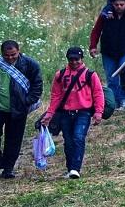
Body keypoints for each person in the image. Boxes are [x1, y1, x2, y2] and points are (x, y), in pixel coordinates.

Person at [0, 40, 43, 178]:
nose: (10, 58)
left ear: (19, 51)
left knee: (14, 140)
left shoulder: (30, 65)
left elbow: (37, 86)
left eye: (13, 55)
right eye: (7, 55)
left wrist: (27, 101)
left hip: (18, 109)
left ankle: (8, 168)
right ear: (2, 54)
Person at [41, 47, 106, 179]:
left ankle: (75, 168)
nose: (74, 62)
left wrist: (98, 112)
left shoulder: (90, 75)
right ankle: (70, 168)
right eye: (71, 59)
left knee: (78, 137)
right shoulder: (60, 75)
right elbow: (56, 96)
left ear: (82, 59)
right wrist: (50, 113)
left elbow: (98, 93)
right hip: (65, 113)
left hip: (83, 112)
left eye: (77, 59)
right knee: (68, 141)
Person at [89, 0, 125, 114]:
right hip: (108, 51)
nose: (119, 7)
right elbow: (96, 30)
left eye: (122, 4)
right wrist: (93, 46)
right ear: (112, 4)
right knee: (111, 78)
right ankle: (113, 102)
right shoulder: (105, 16)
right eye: (116, 4)